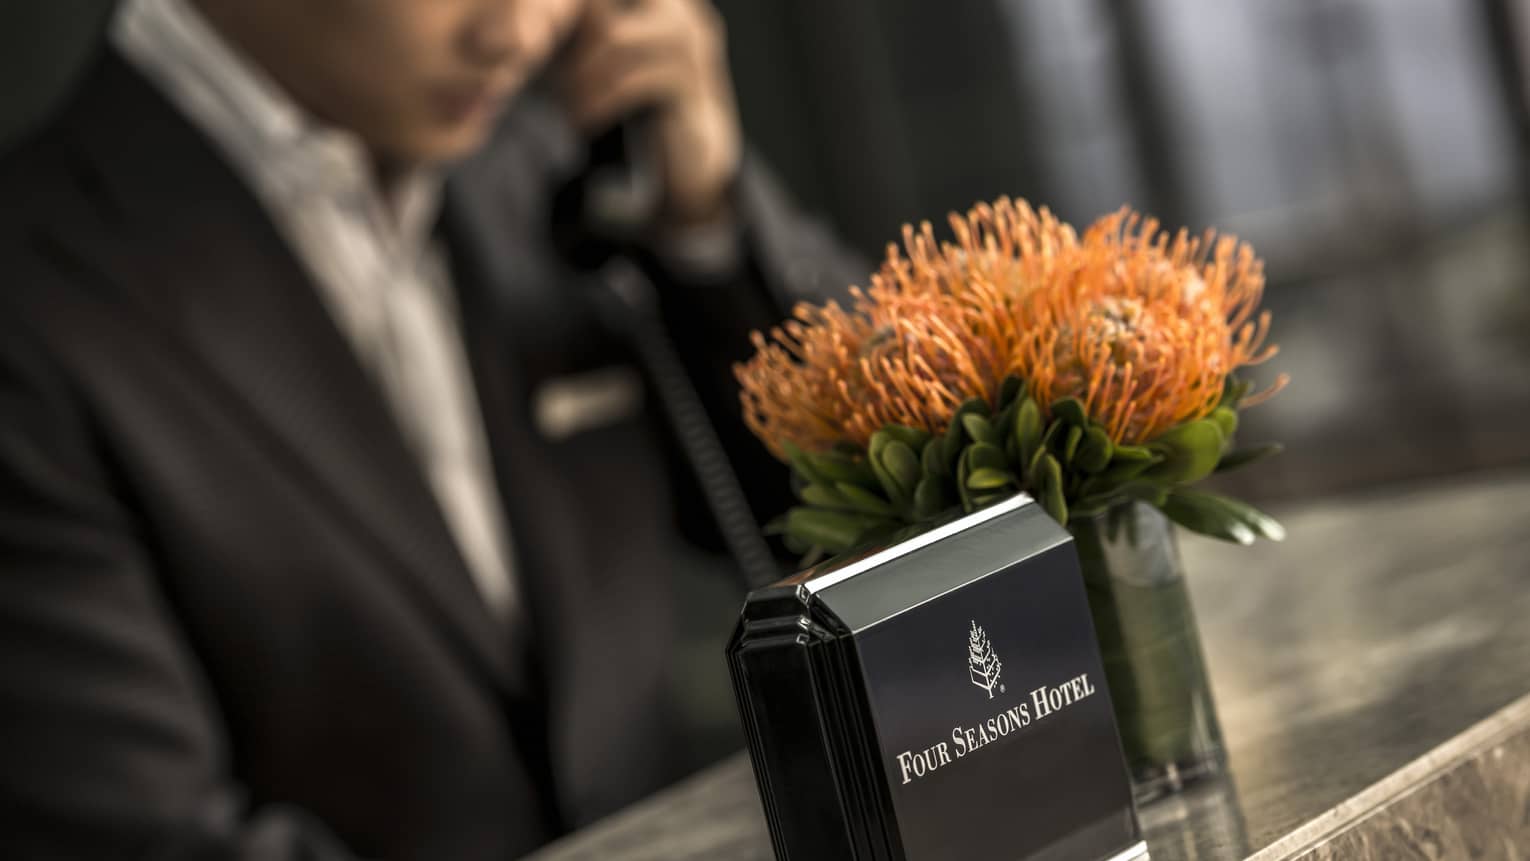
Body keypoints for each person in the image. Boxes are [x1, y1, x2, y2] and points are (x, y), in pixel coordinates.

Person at [0, 0, 861, 857]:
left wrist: (705, 232)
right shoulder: (35, 296)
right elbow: (144, 834)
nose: (520, 35)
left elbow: (856, 514)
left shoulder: (556, 164)